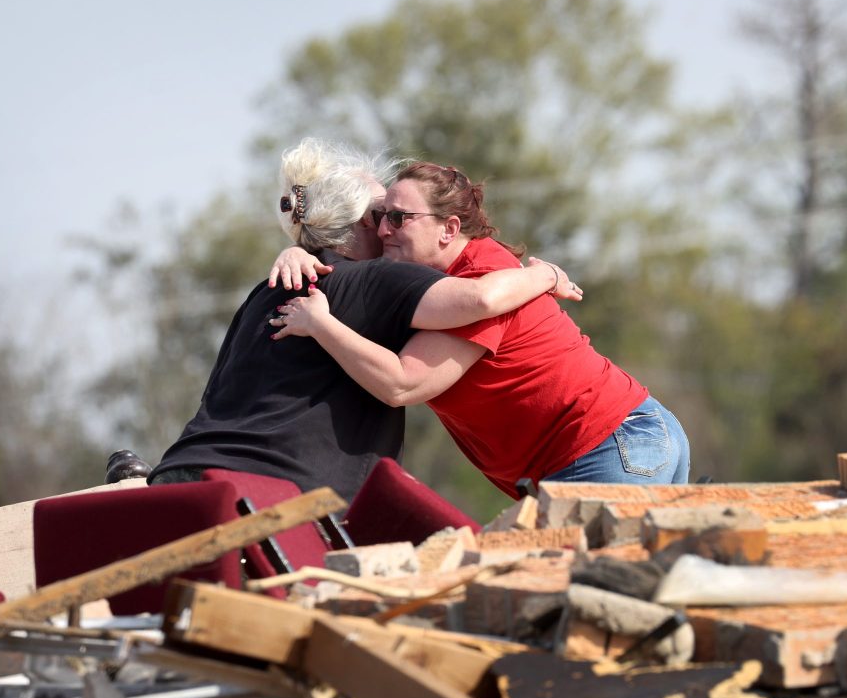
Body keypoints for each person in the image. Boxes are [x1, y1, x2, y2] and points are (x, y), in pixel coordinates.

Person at [148, 141, 581, 501]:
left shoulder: (265, 291)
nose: (390, 227)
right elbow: (481, 297)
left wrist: (298, 248)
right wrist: (546, 274)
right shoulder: (378, 279)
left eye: (398, 215)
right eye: (383, 215)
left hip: (185, 478)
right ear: (359, 224)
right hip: (269, 497)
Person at [269, 161, 690, 498]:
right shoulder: (418, 285)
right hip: (609, 447)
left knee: (595, 596)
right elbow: (346, 265)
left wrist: (319, 324)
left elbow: (403, 384)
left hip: (605, 444)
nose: (382, 230)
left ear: (449, 229)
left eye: (397, 218)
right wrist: (298, 250)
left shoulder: (483, 276)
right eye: (378, 218)